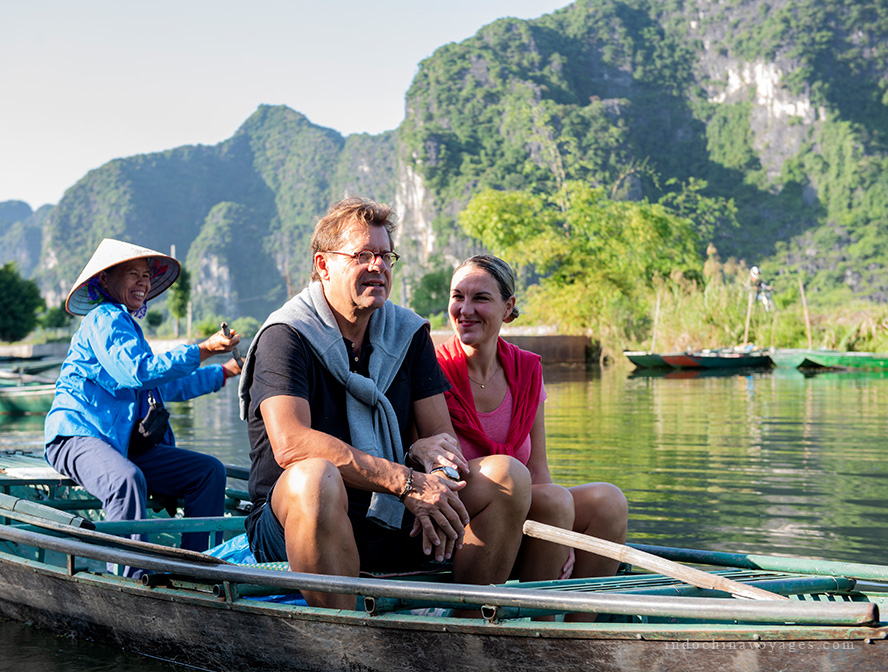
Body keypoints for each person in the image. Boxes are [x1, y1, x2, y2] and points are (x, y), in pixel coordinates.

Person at [238, 197, 531, 609]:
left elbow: (440, 437)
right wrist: (405, 481)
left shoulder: (408, 333)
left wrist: (437, 484)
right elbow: (292, 445)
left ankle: (467, 628)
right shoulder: (286, 336)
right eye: (363, 255)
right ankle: (339, 639)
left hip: (395, 518)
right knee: (315, 477)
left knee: (508, 476)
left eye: (385, 255)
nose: (378, 266)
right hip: (297, 525)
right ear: (323, 266)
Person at [44, 238, 242, 578]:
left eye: (146, 276)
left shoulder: (128, 327)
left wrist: (222, 372)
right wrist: (204, 349)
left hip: (121, 444)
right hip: (78, 436)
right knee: (126, 480)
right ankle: (131, 578)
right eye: (132, 274)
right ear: (105, 280)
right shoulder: (103, 319)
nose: (143, 282)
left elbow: (163, 384)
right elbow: (138, 371)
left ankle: (198, 567)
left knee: (209, 472)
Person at [436, 255, 628, 591]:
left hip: (517, 495)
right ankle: (525, 621)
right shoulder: (433, 369)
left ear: (508, 308)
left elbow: (537, 470)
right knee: (513, 474)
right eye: (457, 296)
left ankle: (570, 632)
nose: (465, 310)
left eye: (480, 298)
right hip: (462, 504)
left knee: (607, 501)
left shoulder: (527, 369)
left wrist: (563, 531)